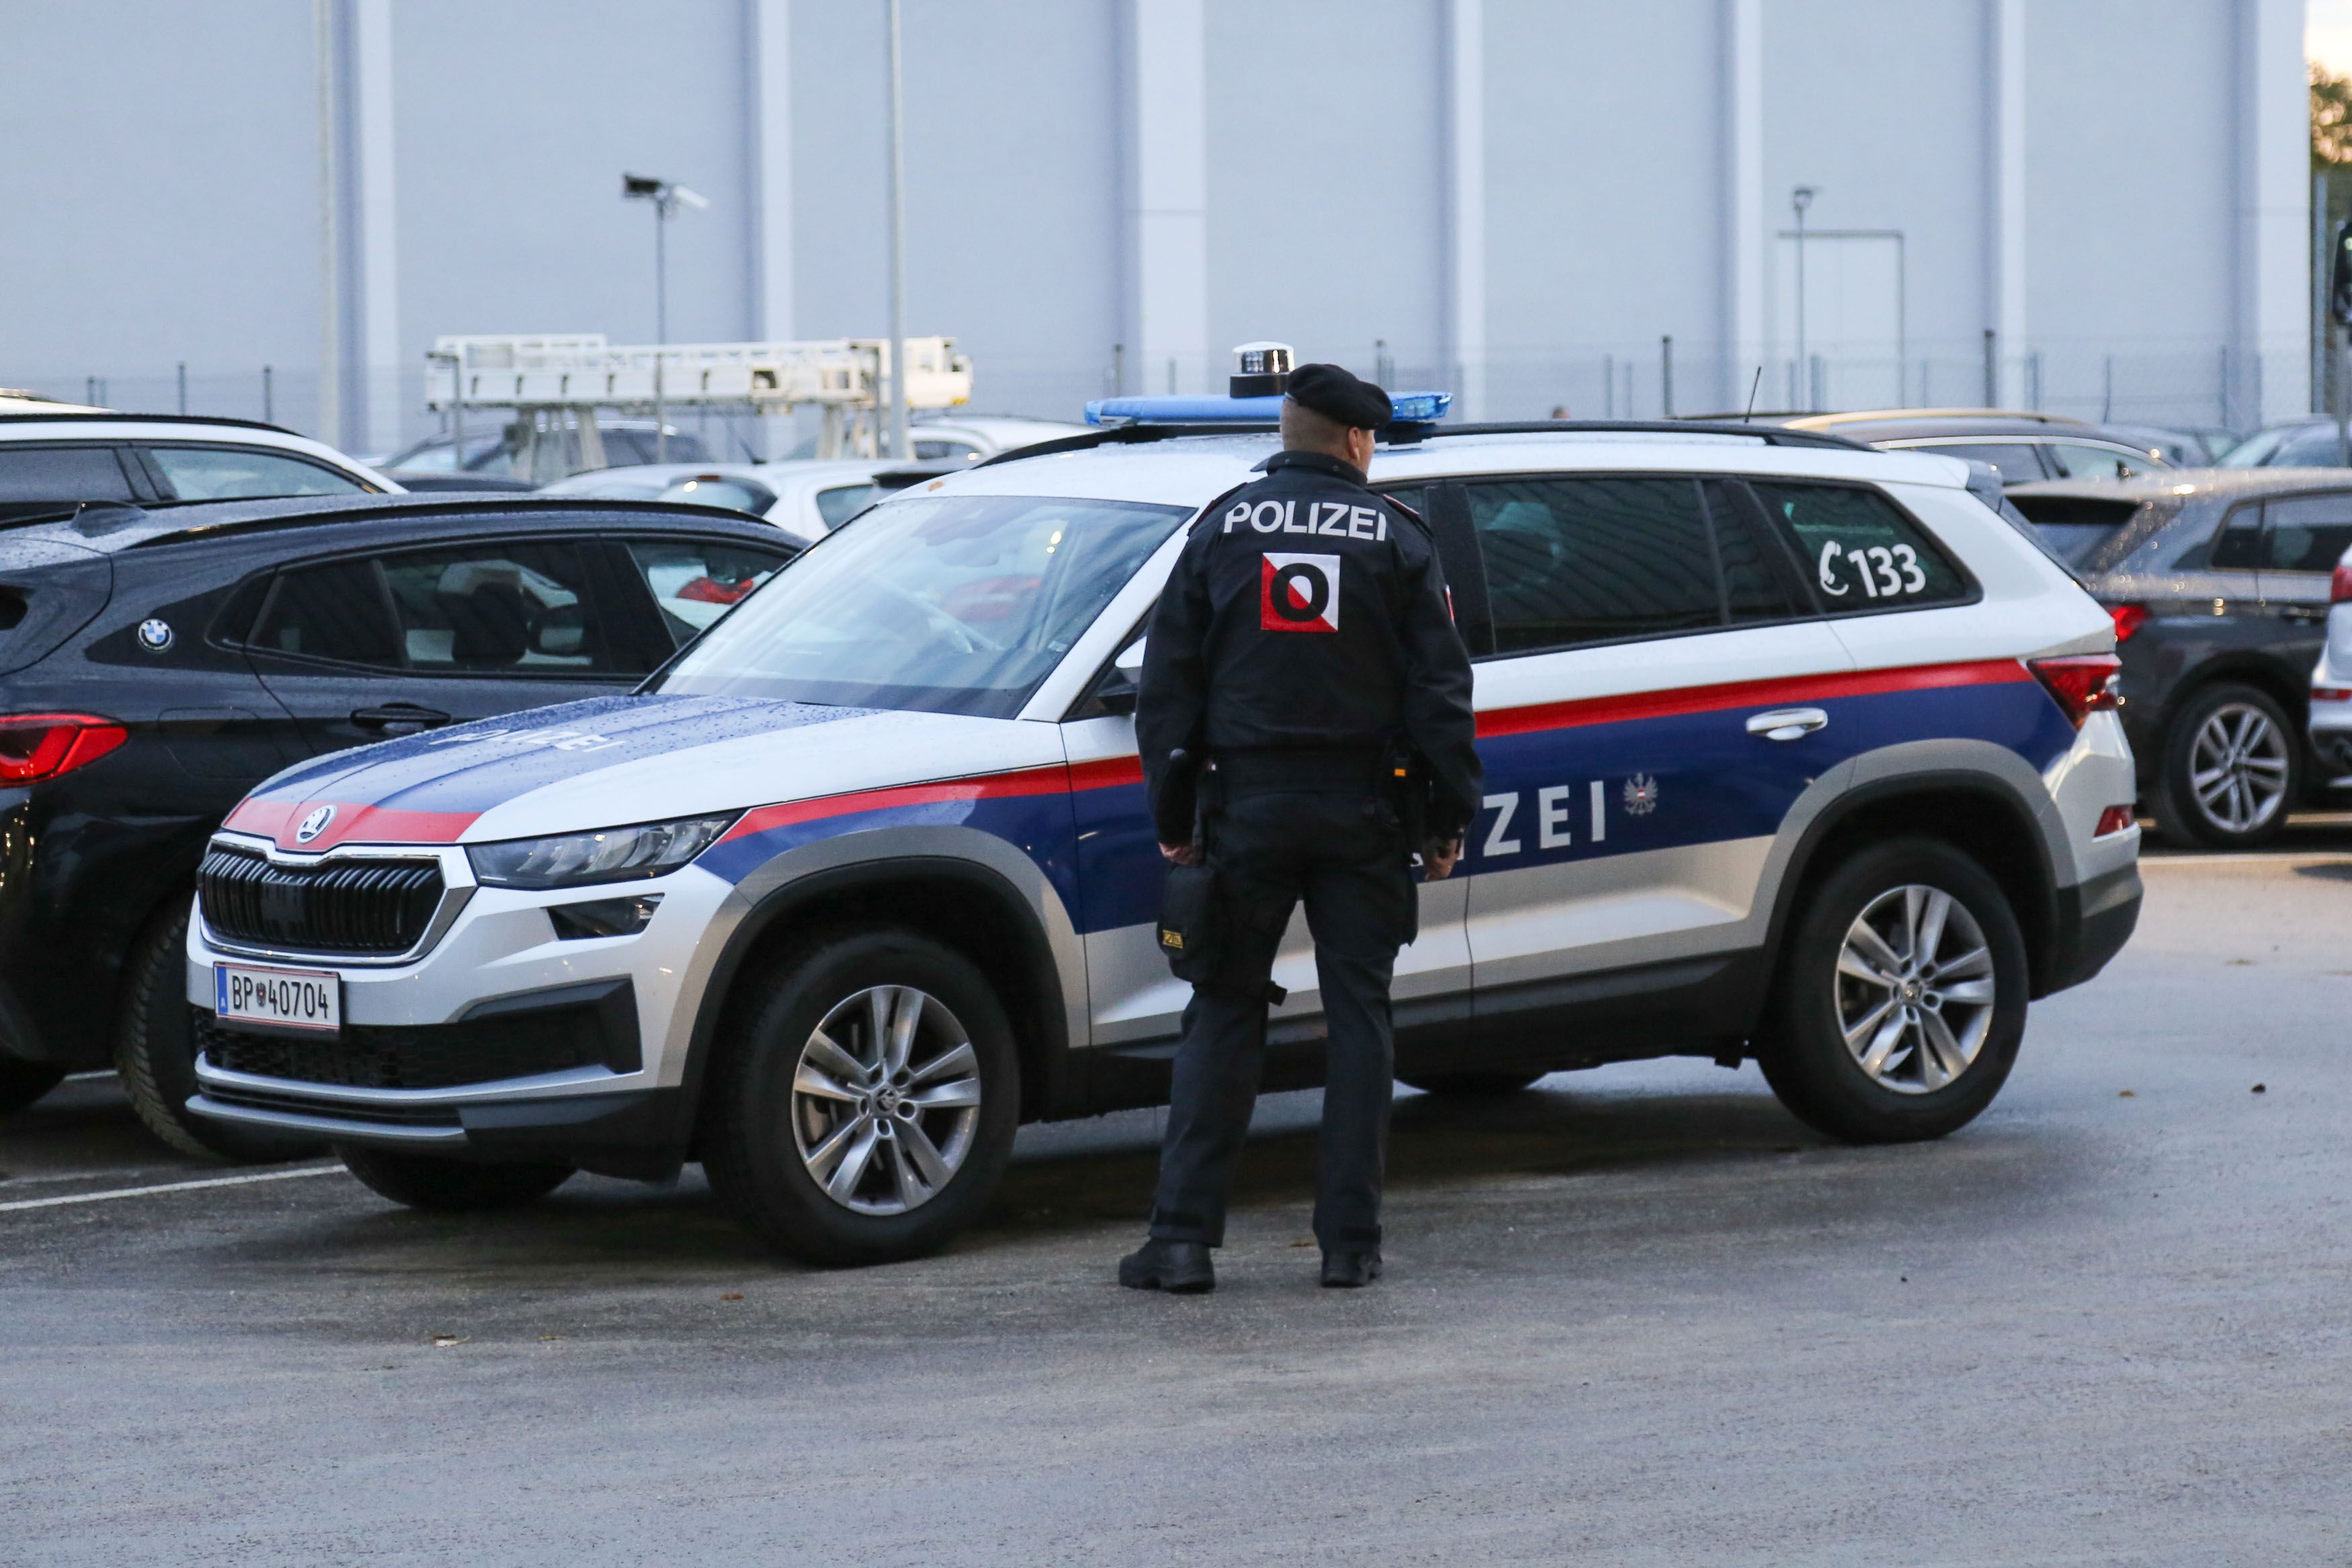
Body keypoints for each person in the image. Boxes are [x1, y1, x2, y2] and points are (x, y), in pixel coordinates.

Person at [1119, 362, 1482, 1294]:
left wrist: (1174, 815)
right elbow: (1441, 692)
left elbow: (1168, 690)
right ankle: (1349, 1246)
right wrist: (1446, 817)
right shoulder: (1398, 538)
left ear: (1286, 433)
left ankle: (1182, 1242)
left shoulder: (1219, 528)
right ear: (1359, 442)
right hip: (1365, 811)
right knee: (1360, 1017)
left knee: (1224, 1009)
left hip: (1244, 807)